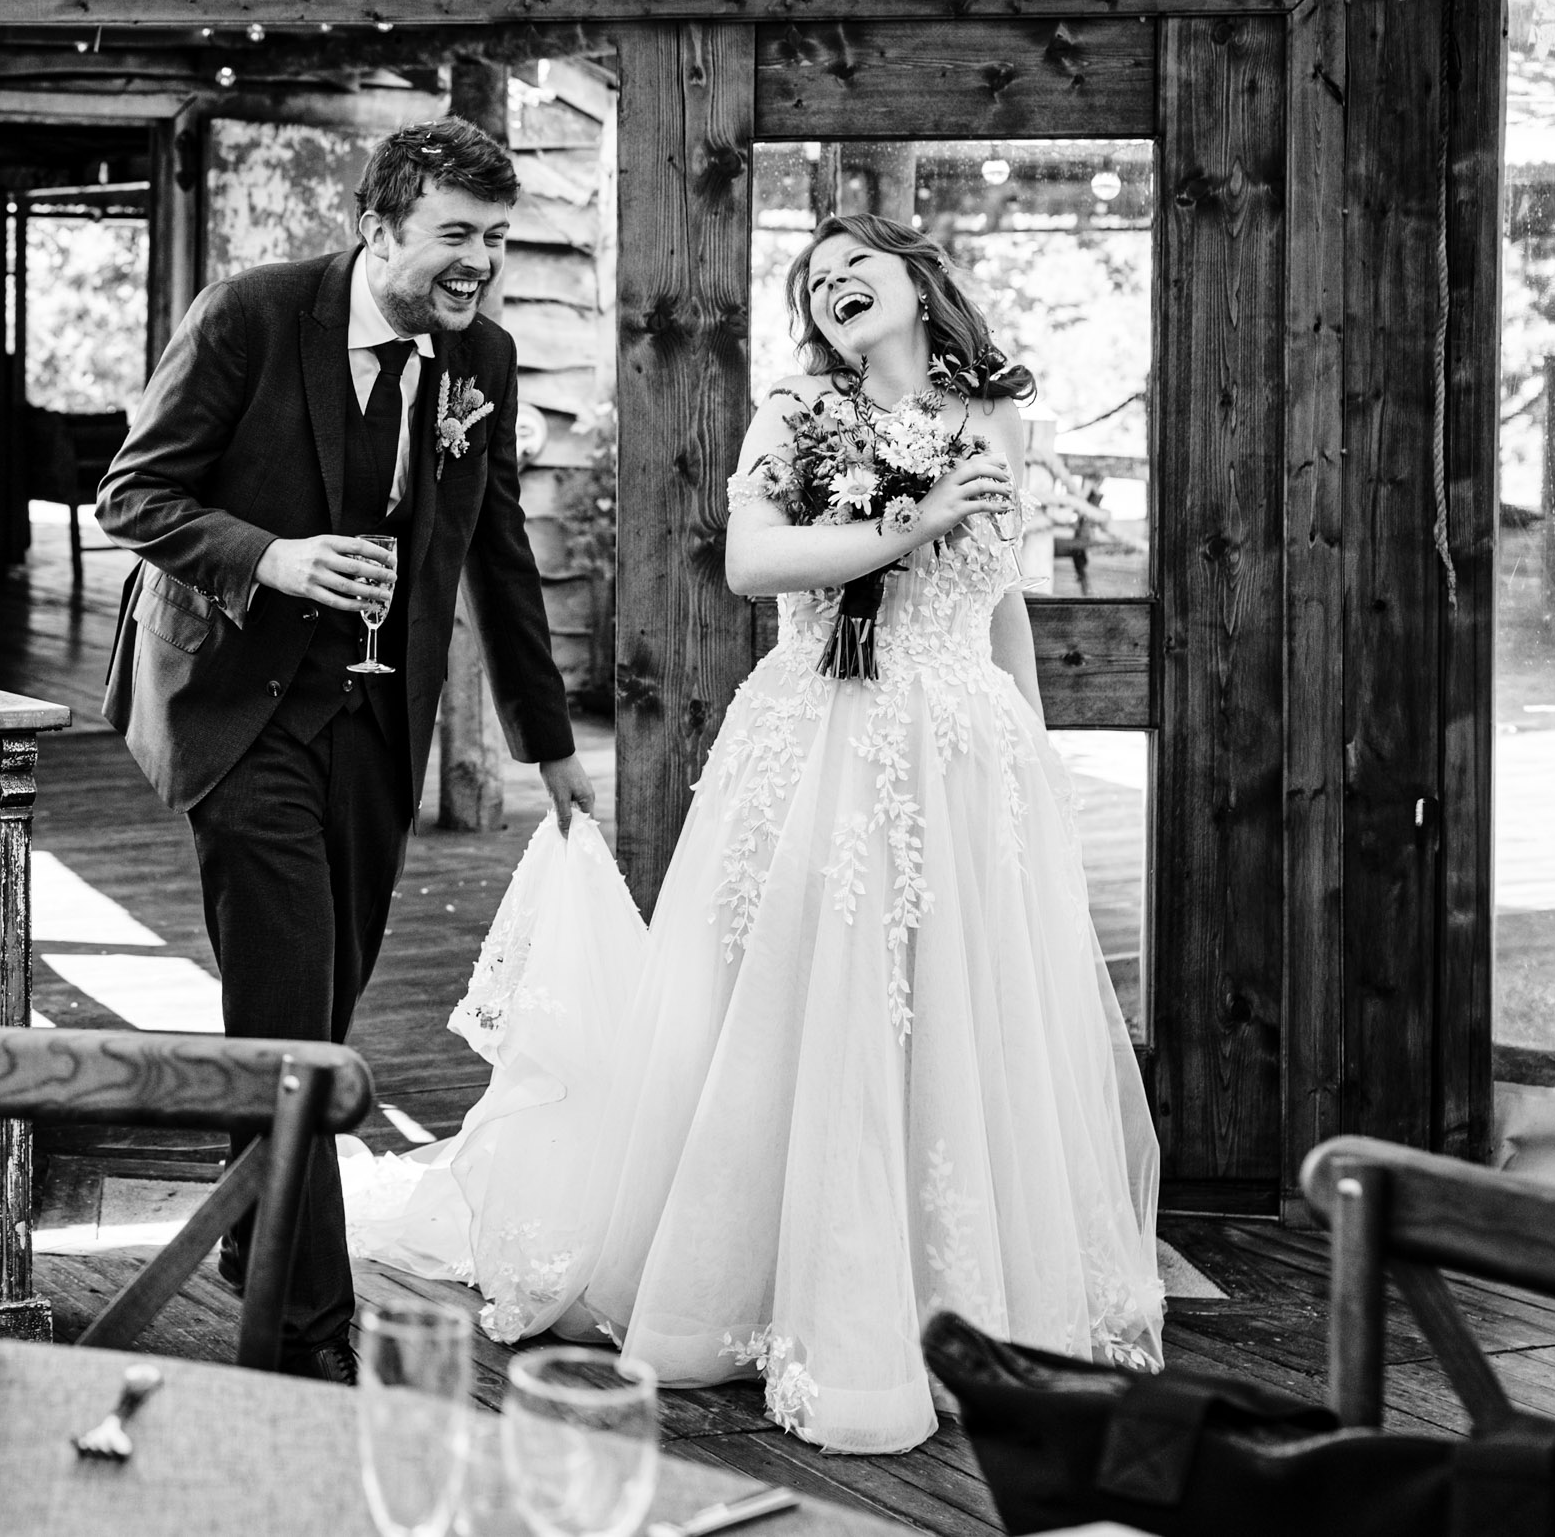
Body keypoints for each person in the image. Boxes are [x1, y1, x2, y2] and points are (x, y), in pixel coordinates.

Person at [345, 212, 1163, 1452]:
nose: (834, 287)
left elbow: (999, 607)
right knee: (792, 997)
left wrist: (1031, 760)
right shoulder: (794, 410)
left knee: (949, 1003)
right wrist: (908, 519)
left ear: (917, 282)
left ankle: (954, 1294)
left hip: (956, 746)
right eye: (815, 278)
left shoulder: (998, 414)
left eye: (856, 269)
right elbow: (753, 563)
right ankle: (765, 1285)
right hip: (821, 735)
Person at [94, 118, 593, 1384]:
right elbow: (134, 496)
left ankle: (253, 1232)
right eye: (456, 236)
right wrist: (276, 557)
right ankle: (306, 1333)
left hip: (377, 721)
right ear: (379, 227)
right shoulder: (251, 314)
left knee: (322, 999)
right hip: (236, 702)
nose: (479, 261)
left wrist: (550, 746)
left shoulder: (482, 354)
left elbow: (496, 553)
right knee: (291, 1021)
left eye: (494, 236)